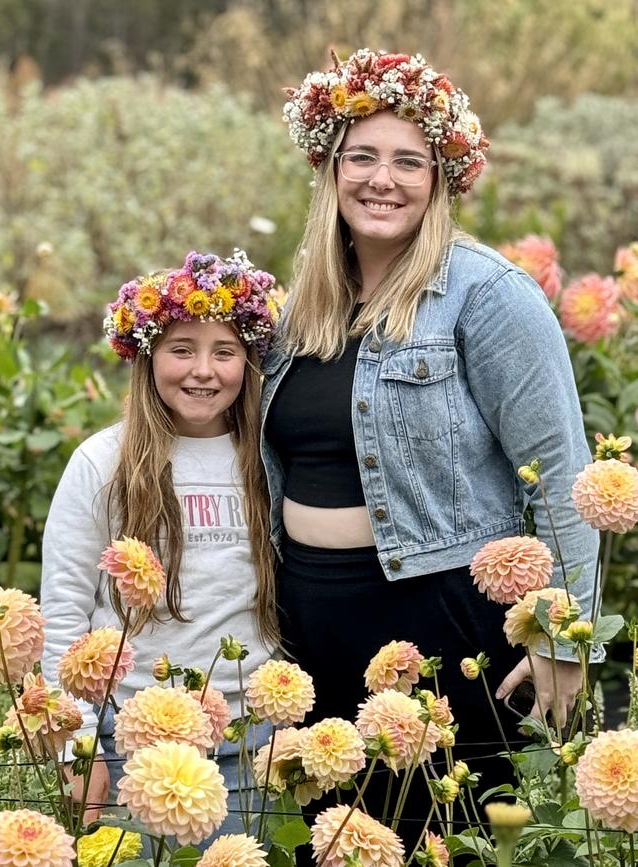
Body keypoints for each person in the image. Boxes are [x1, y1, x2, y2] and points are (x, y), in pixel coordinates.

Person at [261, 48, 600, 854]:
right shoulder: (305, 303)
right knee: (335, 841)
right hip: (311, 621)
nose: (384, 179)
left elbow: (563, 472)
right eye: (363, 156)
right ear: (330, 169)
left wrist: (562, 636)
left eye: (409, 161)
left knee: (439, 834)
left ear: (442, 177)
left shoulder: (488, 296)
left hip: (437, 617)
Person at [41, 249, 280, 836]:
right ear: (146, 356)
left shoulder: (270, 459)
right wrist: (79, 746)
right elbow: (65, 604)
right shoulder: (103, 462)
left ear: (248, 362)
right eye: (181, 350)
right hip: (131, 740)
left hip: (253, 744)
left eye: (225, 352)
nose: (204, 370)